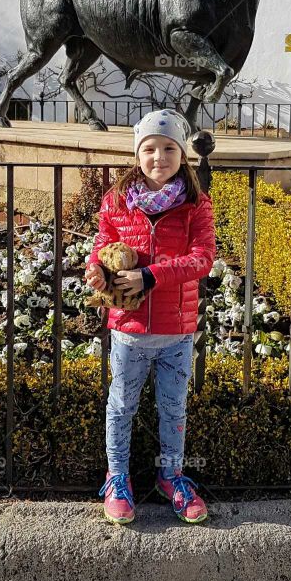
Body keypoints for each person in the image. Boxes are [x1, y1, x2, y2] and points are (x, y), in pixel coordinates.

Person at [84, 109, 216, 526]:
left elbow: (202, 259)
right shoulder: (117, 200)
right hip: (129, 329)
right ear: (137, 155)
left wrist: (149, 276)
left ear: (182, 153)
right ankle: (117, 477)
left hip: (176, 329)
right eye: (150, 149)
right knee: (121, 405)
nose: (159, 156)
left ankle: (170, 475)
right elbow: (102, 244)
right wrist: (96, 270)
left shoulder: (196, 205)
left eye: (169, 148)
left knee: (173, 409)